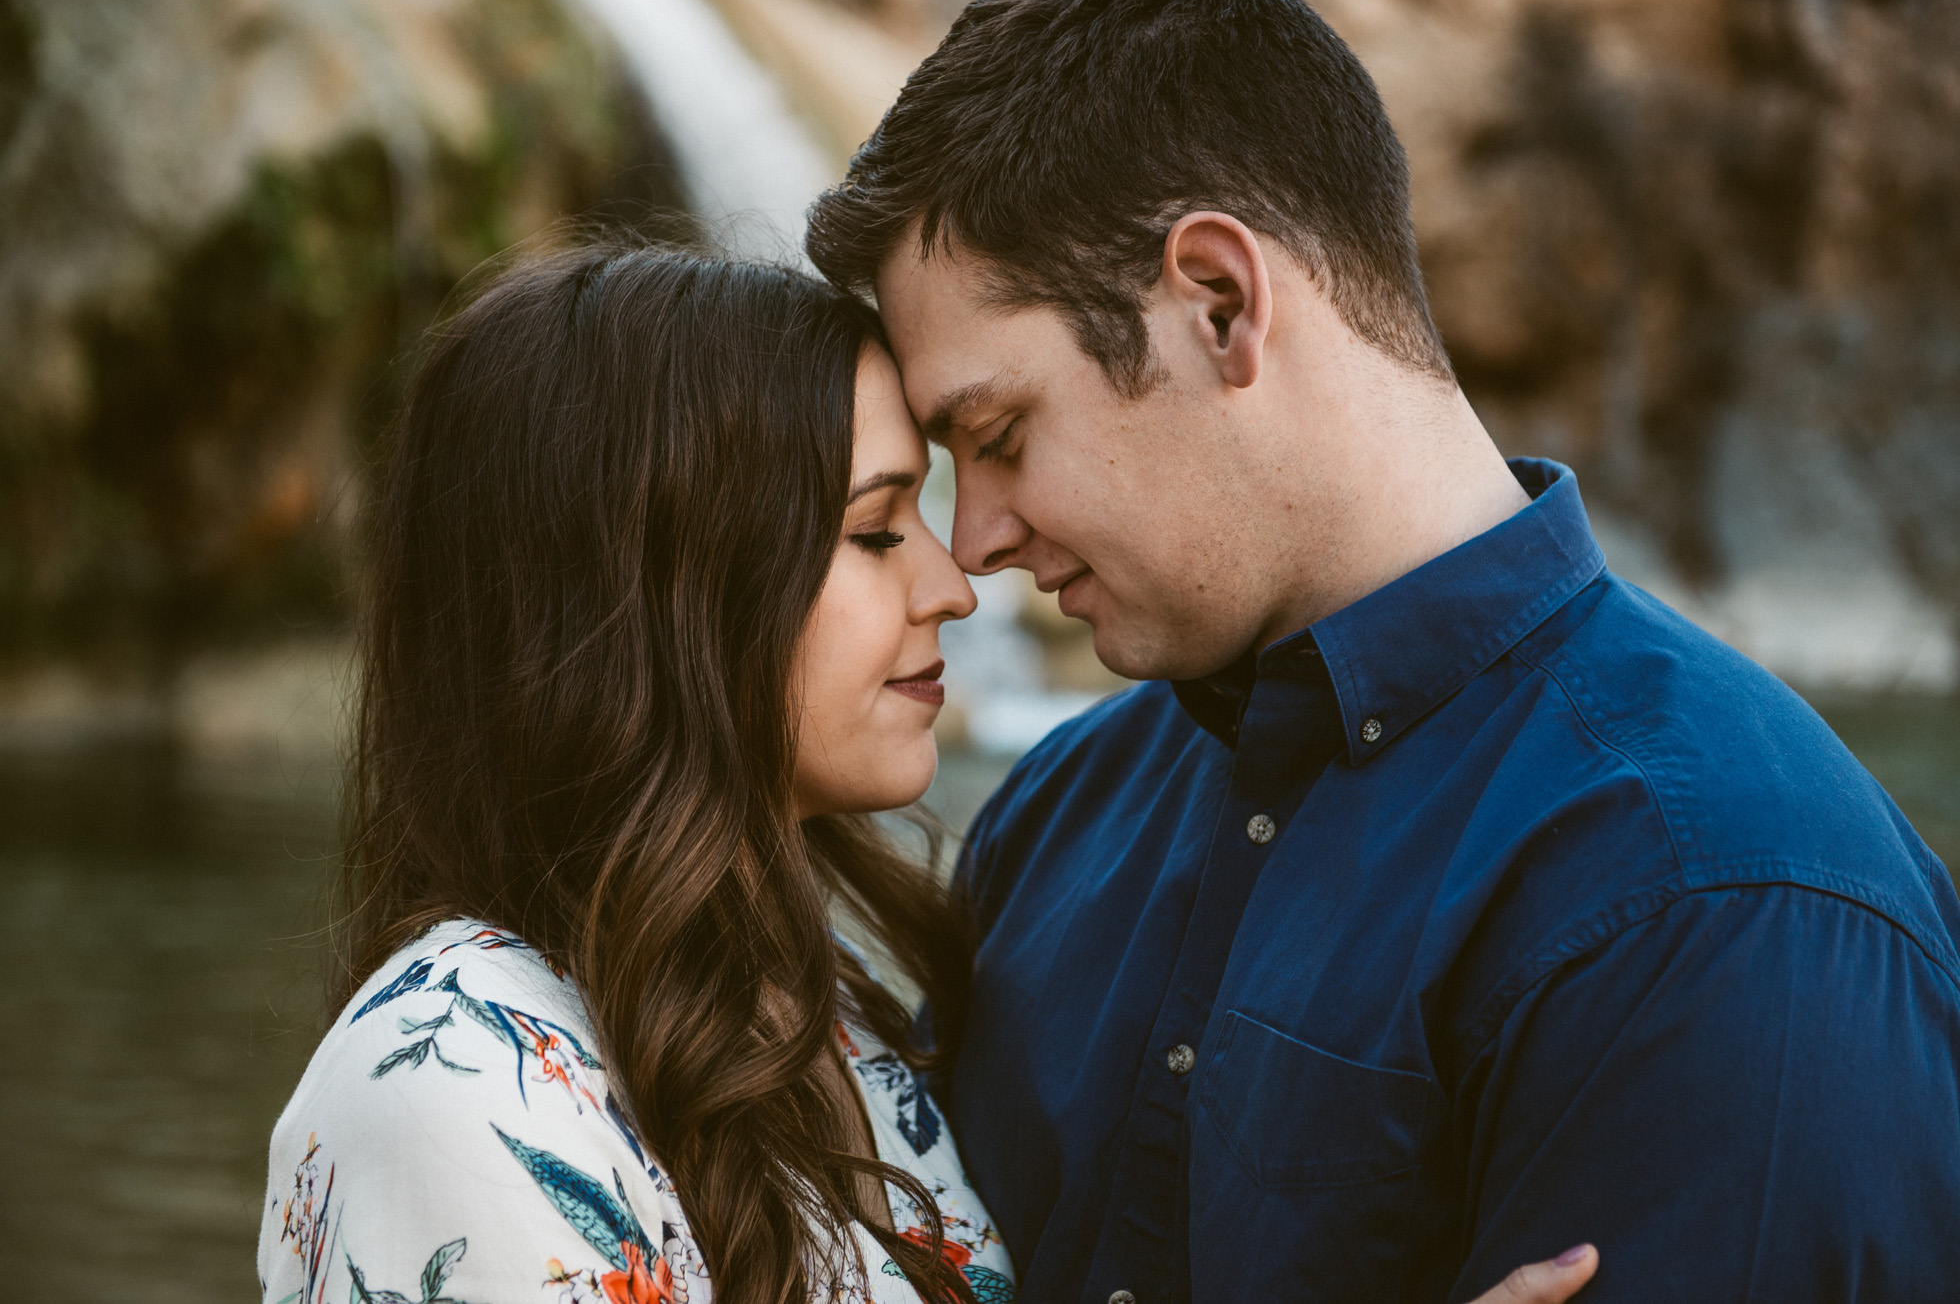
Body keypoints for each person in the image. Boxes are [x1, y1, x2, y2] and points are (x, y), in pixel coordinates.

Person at [804, 0, 1960, 1302]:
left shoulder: (1724, 908)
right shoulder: (1051, 820)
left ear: (1222, 303)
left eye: (1000, 435)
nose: (979, 544)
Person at [256, 245, 1594, 1304]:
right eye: (877, 530)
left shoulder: (816, 1001)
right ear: (654, 593)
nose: (956, 583)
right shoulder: (455, 1086)